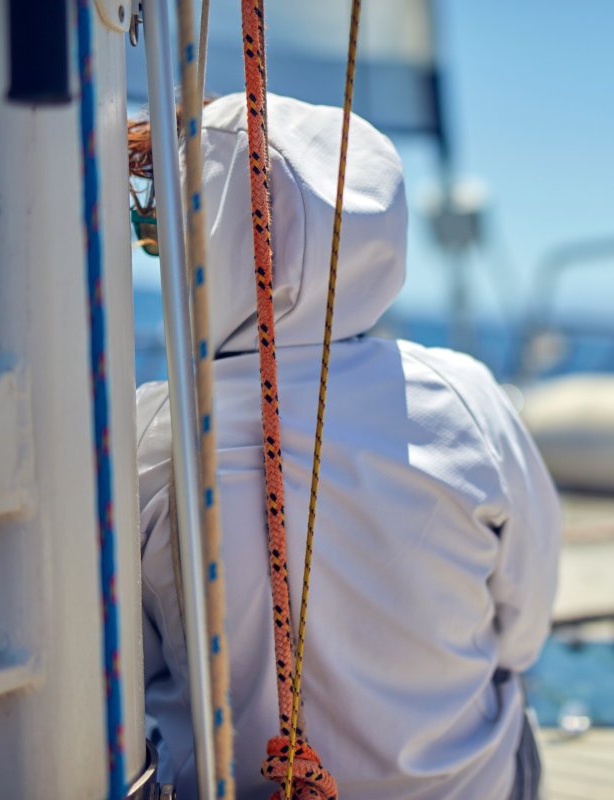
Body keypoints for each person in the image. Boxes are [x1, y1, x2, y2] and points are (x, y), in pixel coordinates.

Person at [133, 93, 561, 800]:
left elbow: (125, 672)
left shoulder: (156, 434)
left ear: (204, 238)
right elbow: (522, 638)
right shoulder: (467, 400)